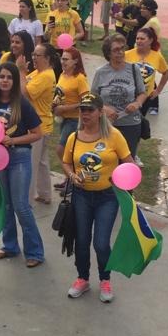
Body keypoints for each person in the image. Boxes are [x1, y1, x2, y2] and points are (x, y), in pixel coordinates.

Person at [61, 92, 135, 302]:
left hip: (107, 197)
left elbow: (128, 162)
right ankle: (82, 278)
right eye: (82, 110)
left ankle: (105, 280)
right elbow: (66, 162)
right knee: (82, 240)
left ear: (100, 112)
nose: (85, 114)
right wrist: (72, 176)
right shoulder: (73, 138)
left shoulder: (114, 136)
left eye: (90, 110)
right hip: (81, 196)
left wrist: (126, 181)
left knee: (101, 243)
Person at [0, 63, 46, 268]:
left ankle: (34, 251)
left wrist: (13, 141)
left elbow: (37, 133)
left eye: (9, 77)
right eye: (1, 77)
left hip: (19, 157)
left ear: (14, 81)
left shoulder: (22, 104)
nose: (5, 80)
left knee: (21, 205)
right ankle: (10, 246)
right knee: (5, 204)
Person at [91, 34, 146, 164]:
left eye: (122, 48)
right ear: (108, 53)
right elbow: (92, 98)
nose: (121, 52)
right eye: (116, 50)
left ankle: (124, 185)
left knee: (126, 162)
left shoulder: (134, 69)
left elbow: (142, 93)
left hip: (130, 124)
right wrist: (104, 108)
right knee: (107, 161)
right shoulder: (101, 72)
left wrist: (137, 103)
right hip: (107, 125)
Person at [24, 43, 58, 204]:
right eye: (33, 54)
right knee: (42, 162)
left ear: (47, 58)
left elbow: (25, 92)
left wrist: (21, 71)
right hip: (43, 124)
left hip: (38, 126)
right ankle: (45, 194)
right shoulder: (38, 73)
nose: (33, 58)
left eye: (37, 55)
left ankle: (27, 199)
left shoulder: (45, 76)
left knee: (31, 164)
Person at [53, 47, 89, 178]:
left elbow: (86, 102)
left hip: (74, 120)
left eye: (66, 59)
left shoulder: (80, 78)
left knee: (61, 150)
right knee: (68, 152)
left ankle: (73, 177)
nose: (63, 62)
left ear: (75, 61)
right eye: (62, 59)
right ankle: (69, 179)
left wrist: (64, 108)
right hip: (62, 119)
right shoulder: (62, 75)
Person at [125, 27, 168, 116]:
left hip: (146, 98)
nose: (139, 41)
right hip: (128, 97)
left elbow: (166, 73)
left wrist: (158, 90)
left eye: (142, 39)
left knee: (140, 121)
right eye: (137, 38)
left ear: (150, 40)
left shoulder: (157, 57)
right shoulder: (127, 55)